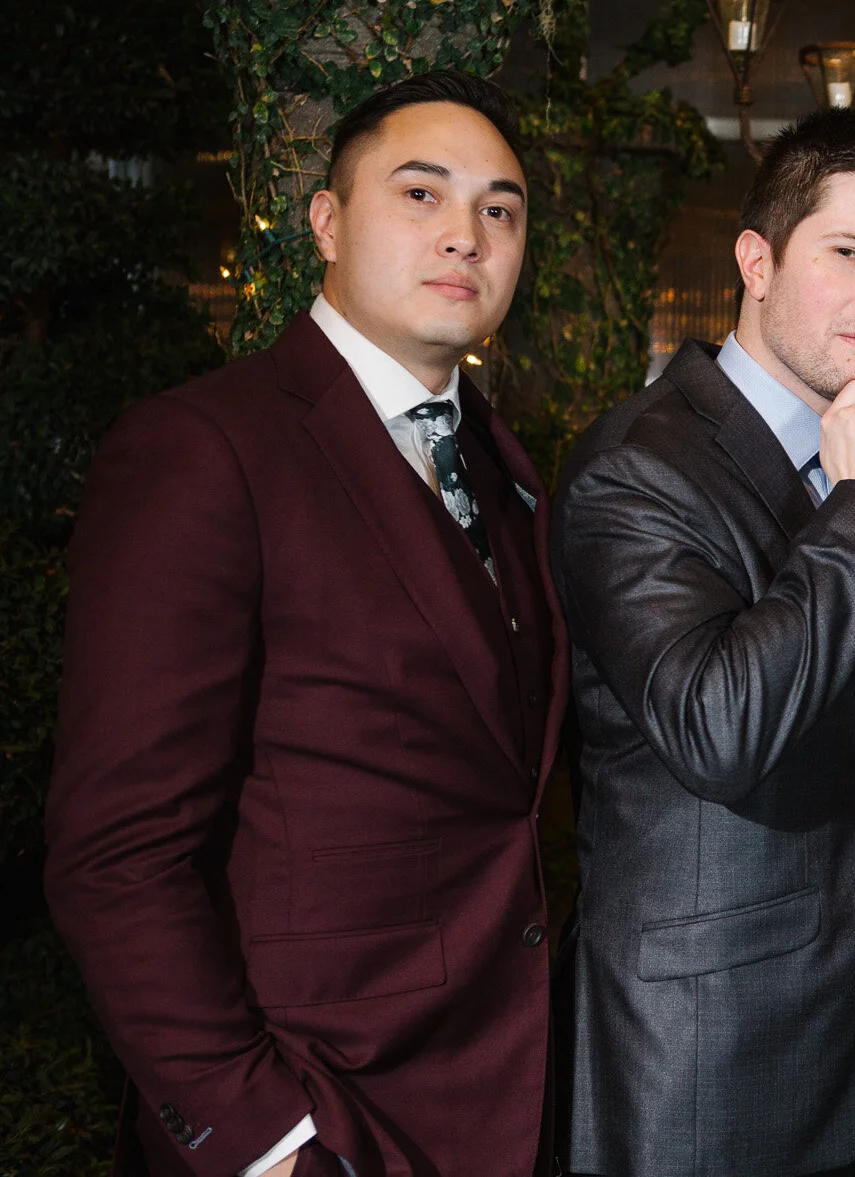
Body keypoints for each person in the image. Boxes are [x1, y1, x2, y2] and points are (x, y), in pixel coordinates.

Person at [45, 70, 566, 1177]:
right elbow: (118, 853)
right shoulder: (206, 448)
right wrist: (263, 1139)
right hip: (312, 1111)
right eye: (420, 194)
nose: (466, 235)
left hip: (493, 1105)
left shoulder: (502, 465)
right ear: (326, 221)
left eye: (501, 209)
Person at [550, 108, 855, 1177]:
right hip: (701, 1058)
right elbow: (718, 726)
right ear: (757, 260)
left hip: (850, 1035)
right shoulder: (637, 466)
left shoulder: (854, 450)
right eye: (849, 253)